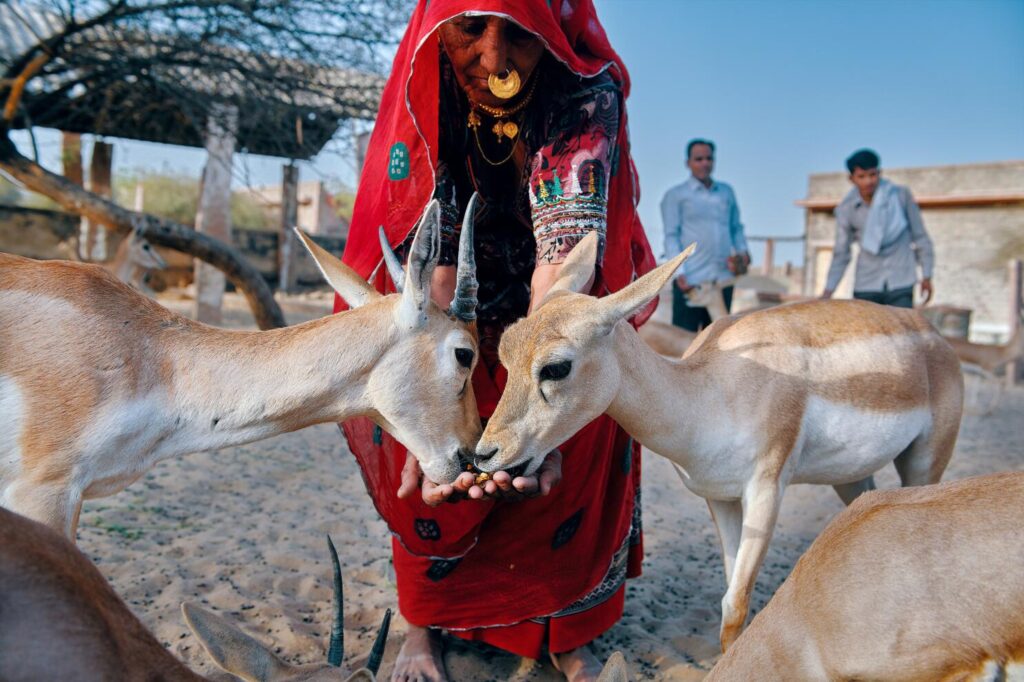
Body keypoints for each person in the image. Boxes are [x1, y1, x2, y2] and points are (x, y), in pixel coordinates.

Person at [333, 2, 656, 681]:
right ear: (436, 27)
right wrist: (434, 408)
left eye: (521, 33)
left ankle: (565, 630)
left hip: (550, 298)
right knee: (424, 436)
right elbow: (435, 255)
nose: (495, 58)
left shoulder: (583, 90)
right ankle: (422, 626)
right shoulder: (427, 87)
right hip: (451, 304)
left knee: (572, 393)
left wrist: (539, 406)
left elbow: (565, 259)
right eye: (470, 28)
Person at [821, 149, 935, 308]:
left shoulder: (900, 196)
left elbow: (920, 237)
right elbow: (841, 253)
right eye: (861, 176)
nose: (868, 181)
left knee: (901, 331)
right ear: (851, 178)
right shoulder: (846, 209)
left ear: (879, 173)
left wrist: (927, 276)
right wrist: (828, 291)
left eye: (872, 175)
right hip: (867, 284)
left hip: (901, 281)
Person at [660, 139, 750, 332]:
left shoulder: (726, 192)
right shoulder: (676, 195)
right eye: (698, 159)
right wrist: (679, 272)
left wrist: (743, 252)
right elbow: (671, 236)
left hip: (722, 280)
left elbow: (736, 227)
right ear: (688, 163)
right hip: (691, 283)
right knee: (685, 345)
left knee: (721, 343)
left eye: (708, 158)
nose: (704, 163)